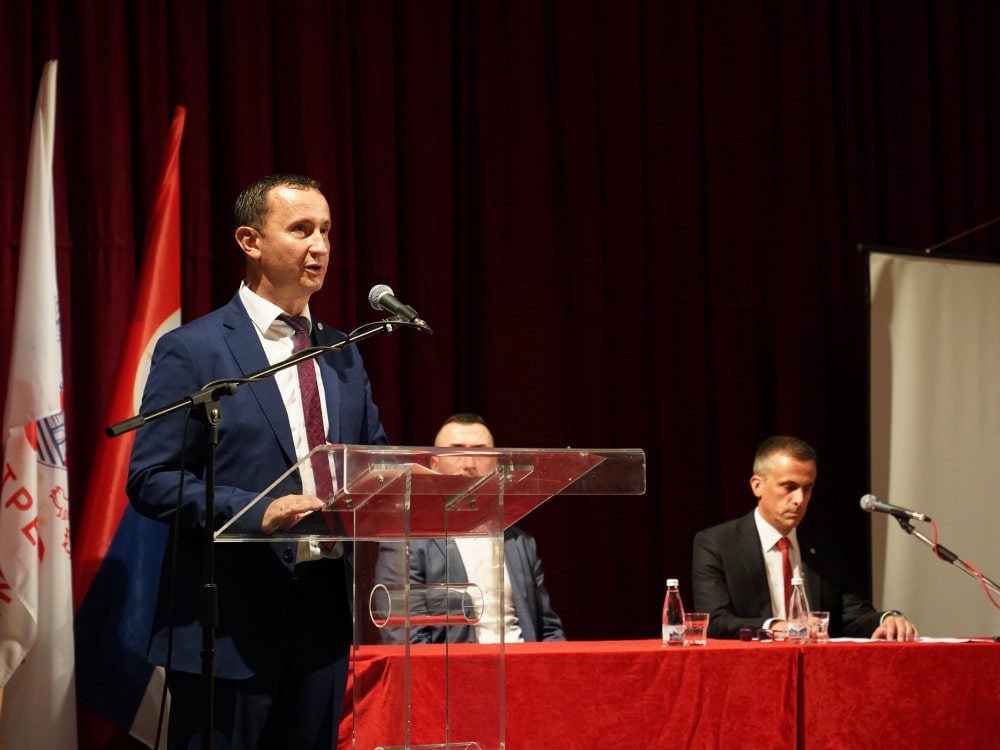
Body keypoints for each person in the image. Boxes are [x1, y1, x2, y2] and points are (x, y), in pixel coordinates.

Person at [127, 173, 388, 749]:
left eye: (326, 231)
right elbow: (151, 479)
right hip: (228, 629)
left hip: (324, 619)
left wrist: (410, 480)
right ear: (250, 241)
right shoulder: (195, 349)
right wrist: (256, 512)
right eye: (301, 230)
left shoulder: (342, 353)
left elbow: (371, 464)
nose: (320, 246)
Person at [691, 435, 918, 641]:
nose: (799, 499)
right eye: (789, 487)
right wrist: (775, 626)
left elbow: (852, 614)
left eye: (807, 488)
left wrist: (887, 619)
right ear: (757, 486)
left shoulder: (823, 547)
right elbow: (716, 620)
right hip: (752, 666)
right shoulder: (717, 544)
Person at [376, 414, 565, 643]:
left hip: (523, 661)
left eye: (480, 452)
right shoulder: (407, 542)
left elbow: (549, 630)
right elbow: (404, 636)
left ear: (496, 464)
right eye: (456, 452)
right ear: (434, 463)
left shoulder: (519, 542)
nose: (469, 464)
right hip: (453, 666)